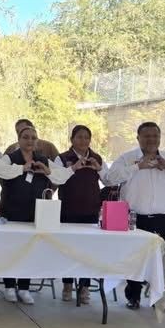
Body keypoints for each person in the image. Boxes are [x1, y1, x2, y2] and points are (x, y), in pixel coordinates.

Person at [105, 122, 165, 309]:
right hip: (134, 218)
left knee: (161, 260)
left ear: (160, 138)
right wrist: (138, 167)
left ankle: (159, 299)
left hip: (163, 218)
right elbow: (110, 178)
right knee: (134, 259)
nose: (151, 139)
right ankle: (133, 297)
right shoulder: (127, 158)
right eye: (146, 136)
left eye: (155, 136)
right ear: (138, 138)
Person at [0, 126, 72, 304]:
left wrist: (47, 171)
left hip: (35, 212)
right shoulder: (11, 157)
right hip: (12, 211)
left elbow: (62, 177)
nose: (30, 141)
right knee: (11, 250)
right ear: (19, 140)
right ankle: (9, 286)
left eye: (33, 138)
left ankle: (24, 287)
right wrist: (22, 168)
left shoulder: (42, 158)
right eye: (26, 137)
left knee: (29, 251)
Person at [52, 125, 109, 304]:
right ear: (72, 139)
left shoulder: (97, 157)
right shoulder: (62, 158)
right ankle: (67, 285)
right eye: (79, 137)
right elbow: (55, 178)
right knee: (68, 250)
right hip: (67, 211)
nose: (83, 141)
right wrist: (74, 168)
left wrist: (98, 168)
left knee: (87, 250)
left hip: (90, 211)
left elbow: (109, 180)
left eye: (86, 137)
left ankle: (84, 287)